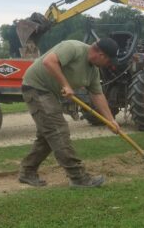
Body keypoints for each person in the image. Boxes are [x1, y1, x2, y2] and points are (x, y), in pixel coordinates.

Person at [19, 38, 120, 188]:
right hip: (36, 87)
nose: (109, 65)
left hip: (50, 93)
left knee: (48, 135)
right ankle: (78, 177)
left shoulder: (93, 71)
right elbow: (49, 61)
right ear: (101, 55)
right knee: (58, 131)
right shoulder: (73, 48)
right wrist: (66, 85)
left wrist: (111, 120)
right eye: (109, 61)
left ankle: (27, 171)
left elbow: (97, 95)